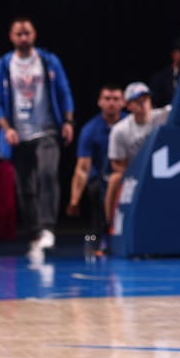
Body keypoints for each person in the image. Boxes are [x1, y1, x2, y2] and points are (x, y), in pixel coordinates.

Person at [0, 17, 75, 254]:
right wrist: (7, 128)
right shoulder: (4, 65)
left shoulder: (47, 61)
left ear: (34, 34)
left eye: (27, 33)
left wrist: (68, 121)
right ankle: (35, 232)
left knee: (47, 174)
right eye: (19, 34)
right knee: (24, 187)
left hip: (47, 129)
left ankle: (48, 228)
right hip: (19, 134)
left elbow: (64, 91)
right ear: (11, 37)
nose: (23, 38)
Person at [104, 83, 168, 243]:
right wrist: (137, 173)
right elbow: (116, 164)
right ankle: (110, 228)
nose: (143, 104)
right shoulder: (120, 130)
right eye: (137, 101)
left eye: (145, 99)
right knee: (114, 179)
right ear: (128, 105)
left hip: (164, 169)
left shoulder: (164, 116)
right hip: (134, 174)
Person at [67, 83, 124, 244]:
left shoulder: (129, 124)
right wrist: (74, 200)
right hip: (101, 177)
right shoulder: (90, 130)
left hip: (126, 174)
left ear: (123, 102)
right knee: (97, 188)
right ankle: (100, 234)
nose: (111, 103)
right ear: (100, 102)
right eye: (107, 99)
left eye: (115, 99)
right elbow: (83, 168)